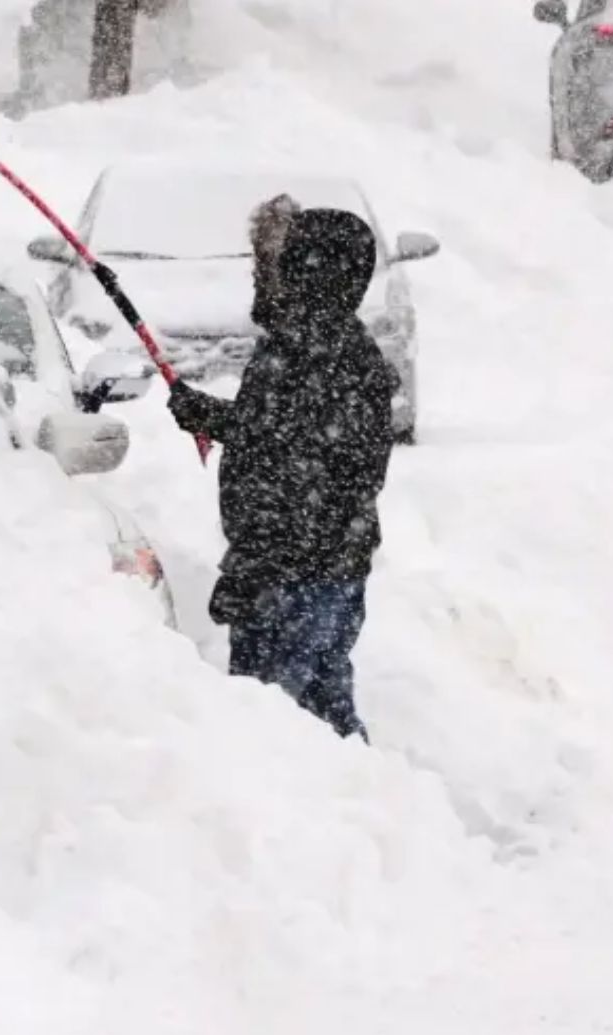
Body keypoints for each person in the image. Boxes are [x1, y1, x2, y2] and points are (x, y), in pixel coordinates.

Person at [165, 200, 398, 742]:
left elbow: (290, 457)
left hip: (293, 576)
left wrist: (256, 571)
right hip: (326, 569)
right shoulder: (338, 348)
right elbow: (281, 438)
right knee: (324, 711)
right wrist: (213, 416)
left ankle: (328, 814)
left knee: (270, 731)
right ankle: (370, 806)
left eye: (284, 263)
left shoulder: (310, 352)